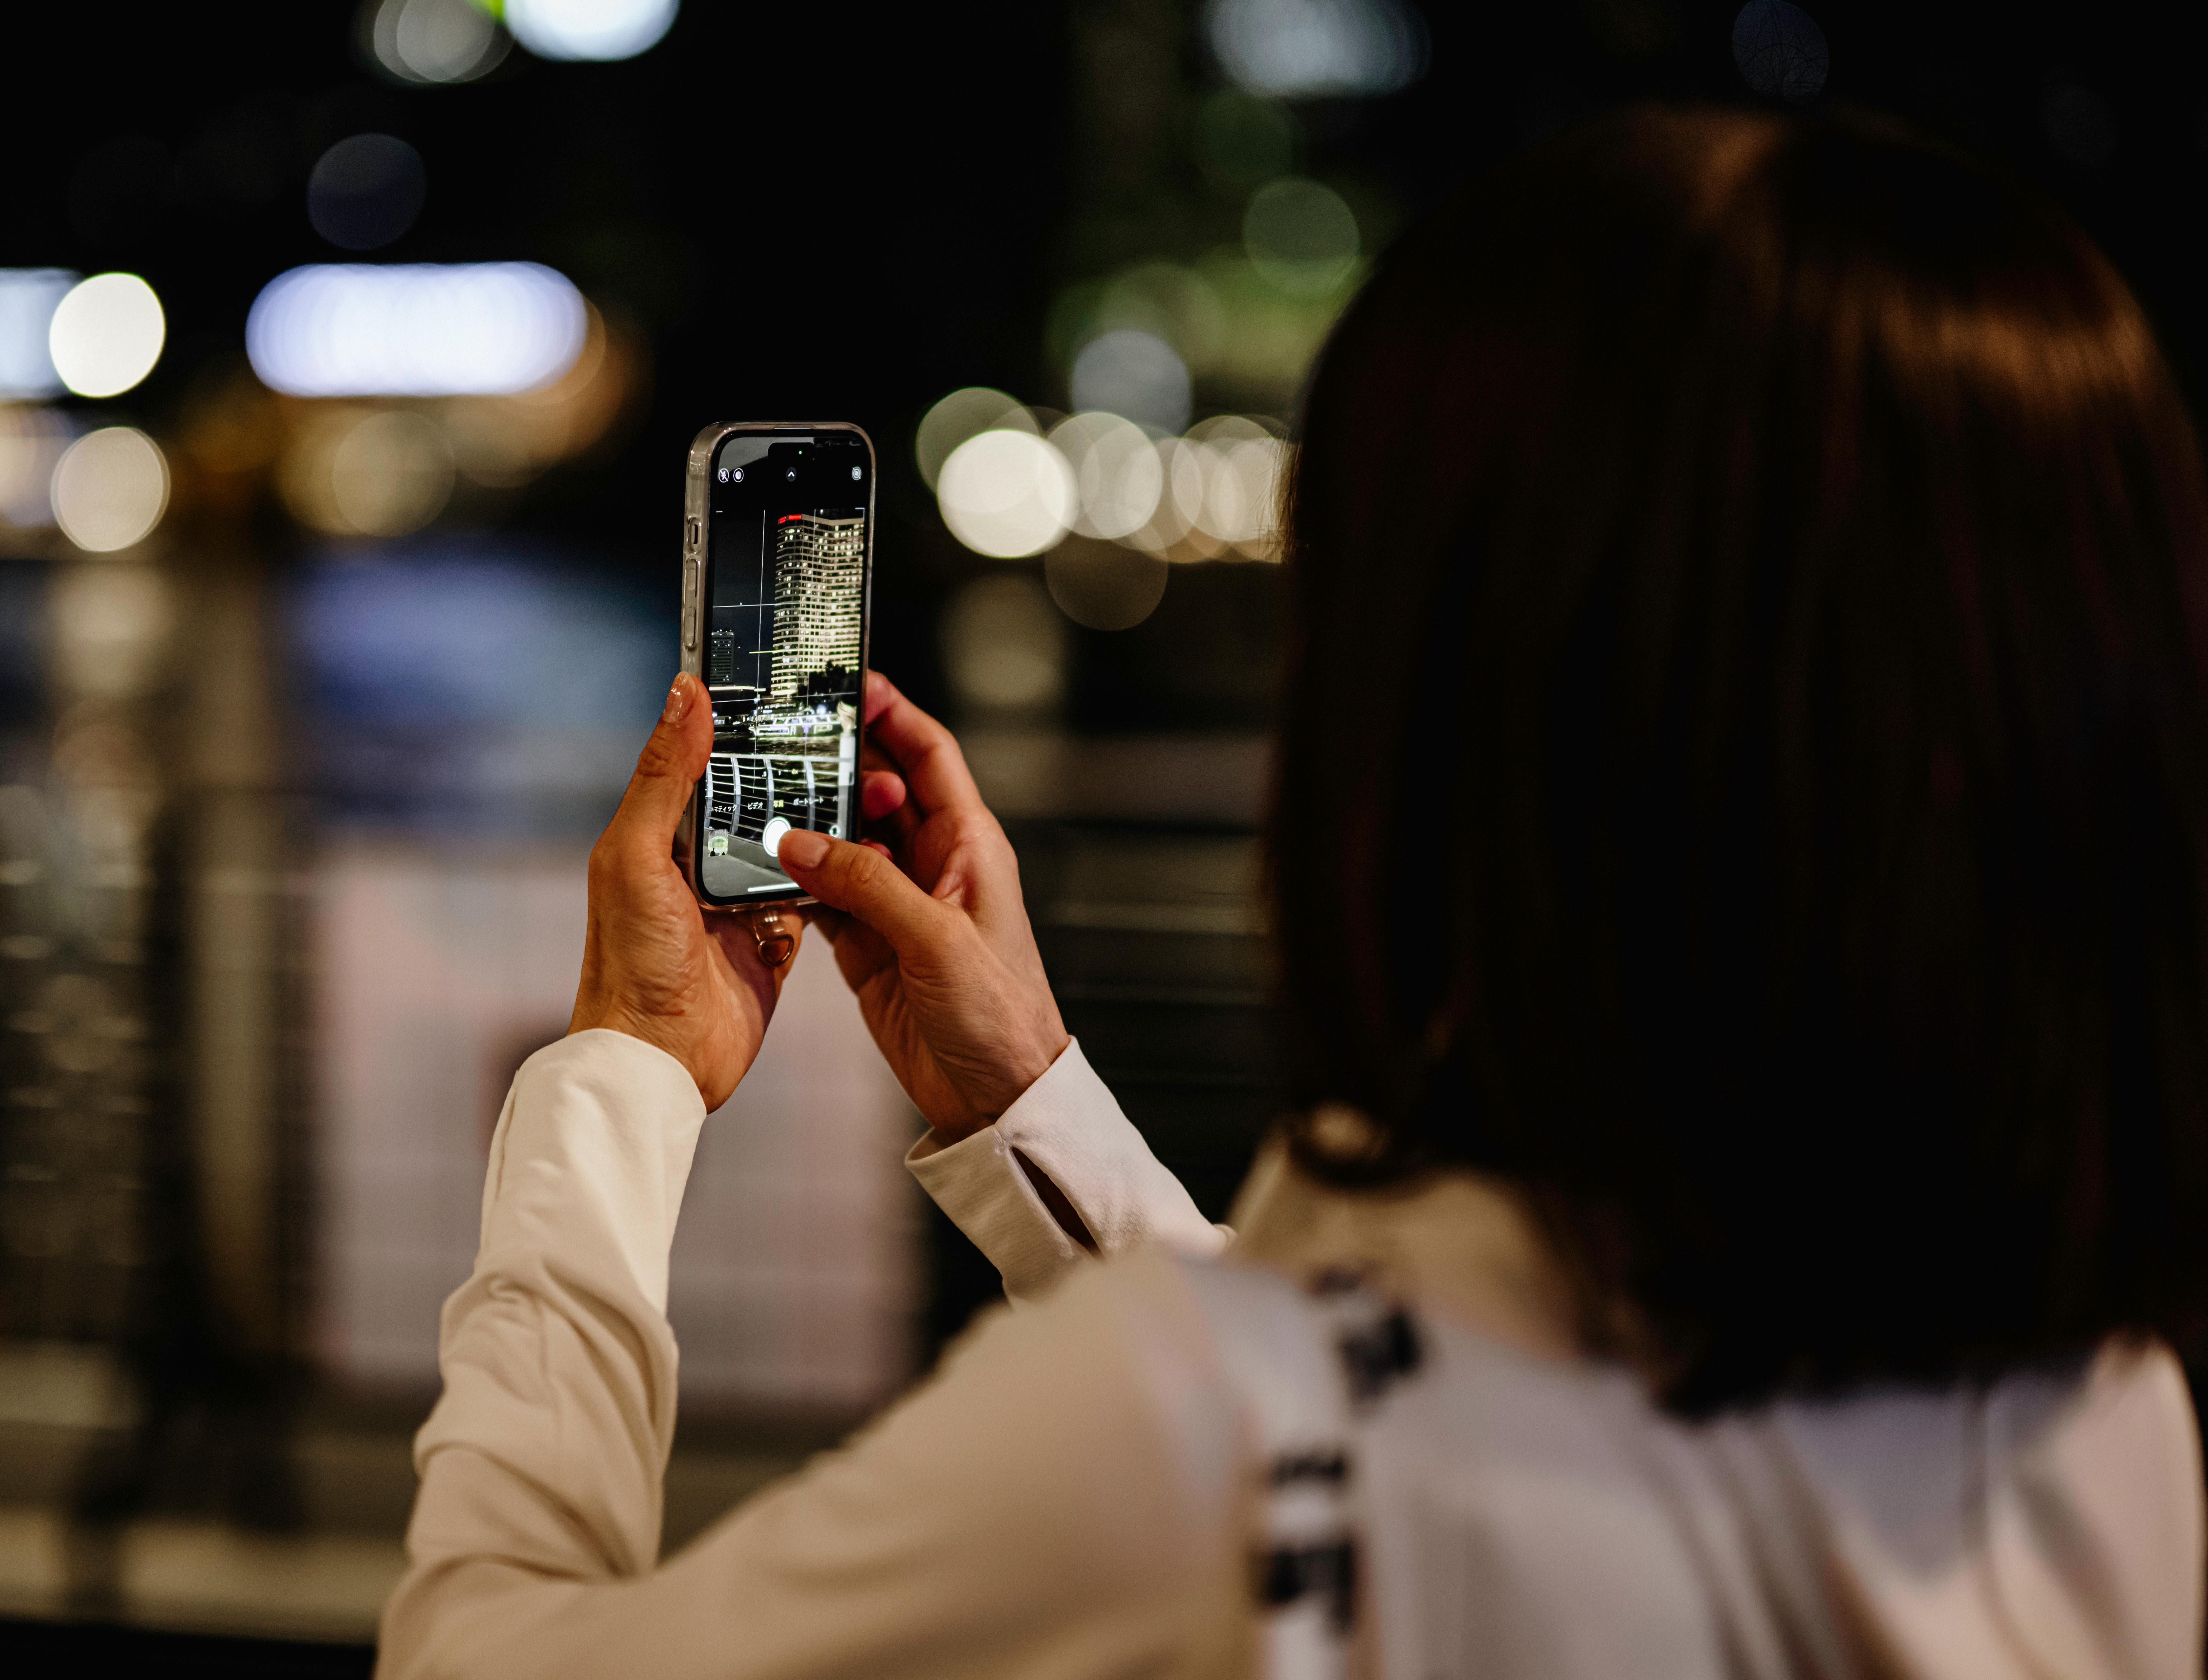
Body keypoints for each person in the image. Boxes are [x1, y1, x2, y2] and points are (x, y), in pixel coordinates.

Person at [378, 106, 2208, 1679]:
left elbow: (481, 1659)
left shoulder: (1194, 1453)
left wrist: (618, 1073)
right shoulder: (2094, 1403)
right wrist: (1030, 1107)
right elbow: (1392, 1413)